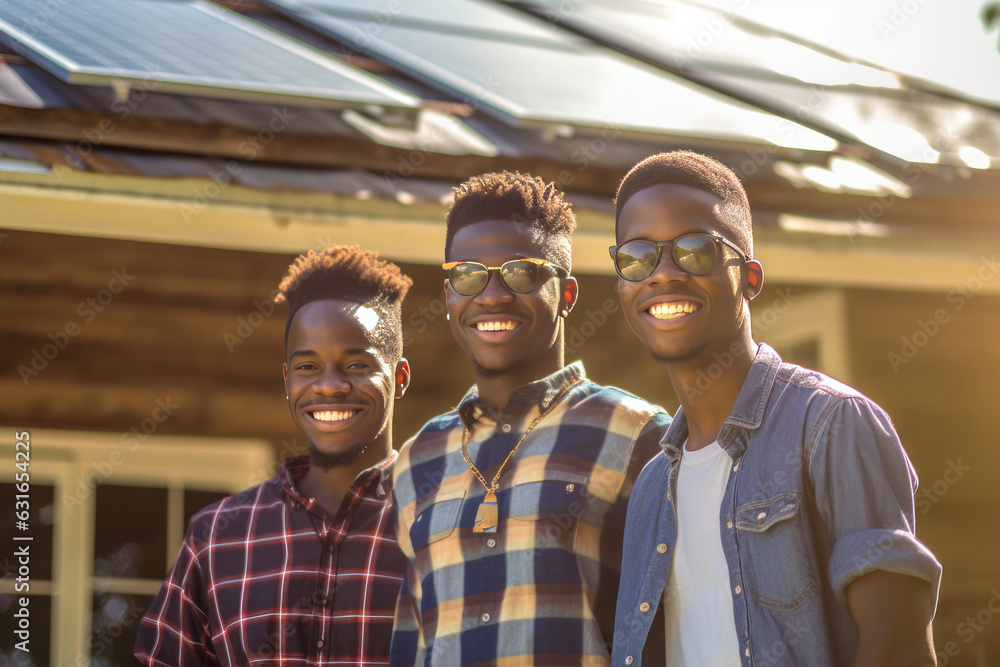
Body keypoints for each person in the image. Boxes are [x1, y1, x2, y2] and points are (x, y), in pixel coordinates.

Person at [609, 151, 942, 666]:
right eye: (637, 256)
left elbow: (898, 648)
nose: (663, 273)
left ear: (750, 278)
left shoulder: (831, 424)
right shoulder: (651, 489)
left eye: (695, 249)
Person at [389, 171, 672, 666]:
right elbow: (411, 642)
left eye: (520, 272)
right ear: (450, 295)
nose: (492, 294)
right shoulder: (417, 460)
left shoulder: (638, 434)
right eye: (468, 275)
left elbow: (671, 624)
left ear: (566, 294)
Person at [135, 245, 413, 665]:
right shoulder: (216, 538)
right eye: (307, 367)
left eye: (357, 365)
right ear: (287, 380)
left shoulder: (443, 524)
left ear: (399, 377)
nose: (329, 385)